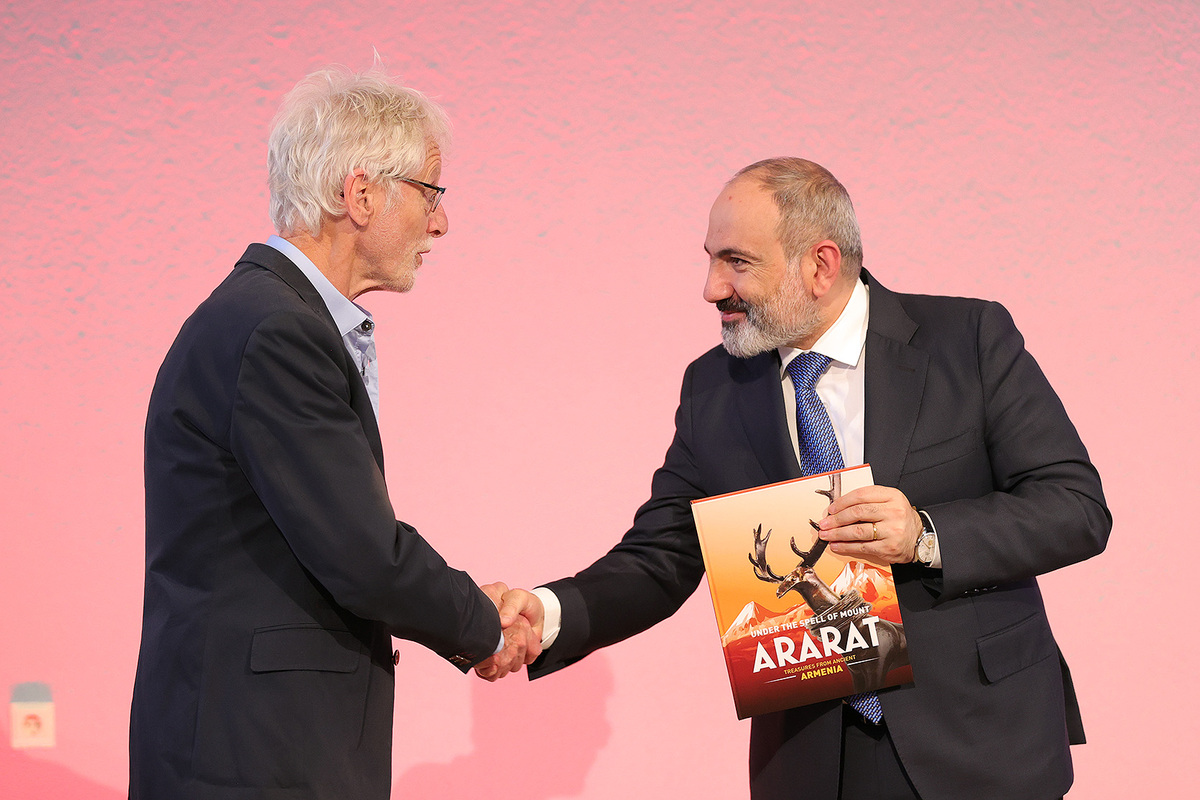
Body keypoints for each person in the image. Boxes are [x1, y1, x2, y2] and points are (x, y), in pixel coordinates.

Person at [488, 158, 1110, 800]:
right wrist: (549, 612)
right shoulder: (712, 387)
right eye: (710, 260)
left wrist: (924, 536)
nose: (711, 289)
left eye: (736, 262)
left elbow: (1075, 506)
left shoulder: (967, 340)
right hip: (812, 761)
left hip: (977, 741)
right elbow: (661, 555)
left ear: (821, 265)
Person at [129, 66, 541, 800]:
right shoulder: (276, 331)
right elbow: (362, 553)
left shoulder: (266, 317)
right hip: (250, 761)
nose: (441, 223)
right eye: (431, 193)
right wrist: (481, 623)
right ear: (361, 194)